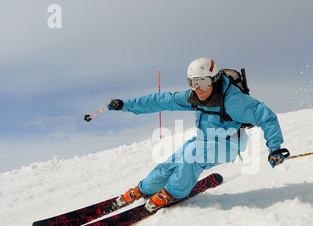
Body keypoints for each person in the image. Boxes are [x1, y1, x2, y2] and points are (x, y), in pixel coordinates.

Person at [107, 58, 286, 212]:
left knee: (191, 156)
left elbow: (266, 117)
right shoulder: (195, 96)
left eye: (202, 82)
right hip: (204, 140)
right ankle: (144, 188)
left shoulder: (234, 101)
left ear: (214, 80)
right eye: (192, 83)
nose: (197, 88)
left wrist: (275, 148)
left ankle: (173, 192)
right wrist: (126, 105)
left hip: (229, 144)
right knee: (170, 164)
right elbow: (161, 100)